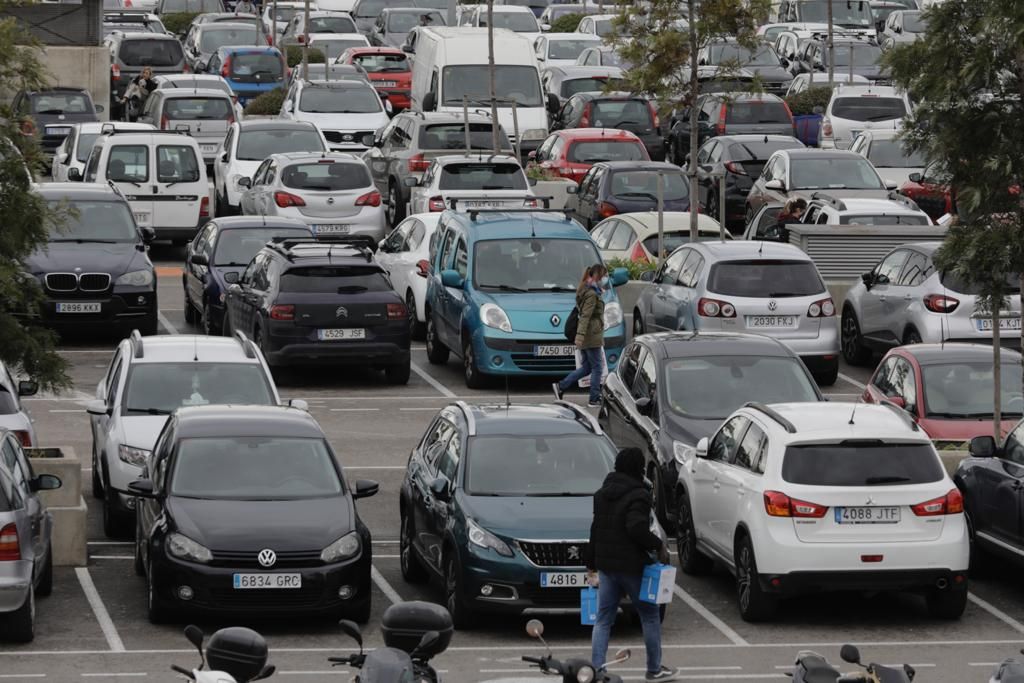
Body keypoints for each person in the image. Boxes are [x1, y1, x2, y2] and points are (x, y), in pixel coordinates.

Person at [584, 447, 676, 682]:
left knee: (603, 618)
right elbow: (636, 527)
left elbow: (596, 529)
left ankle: (597, 670)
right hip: (632, 567)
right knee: (650, 615)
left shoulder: (601, 494)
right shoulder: (639, 495)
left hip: (606, 566)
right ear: (638, 469)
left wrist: (590, 563)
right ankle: (654, 669)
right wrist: (658, 545)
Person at [552, 263, 607, 408]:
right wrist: (580, 336)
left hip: (588, 334)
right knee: (597, 367)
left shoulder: (589, 290)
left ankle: (561, 386)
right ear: (597, 276)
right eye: (604, 276)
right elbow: (585, 316)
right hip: (591, 335)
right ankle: (594, 399)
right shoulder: (591, 294)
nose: (605, 279)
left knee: (587, 367)